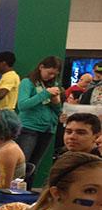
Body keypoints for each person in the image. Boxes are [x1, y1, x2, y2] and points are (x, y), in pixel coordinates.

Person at [16, 56, 63, 185]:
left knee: (33, 167)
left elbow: (57, 110)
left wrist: (57, 103)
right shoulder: (27, 82)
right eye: (49, 73)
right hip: (29, 128)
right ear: (41, 67)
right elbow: (22, 105)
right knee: (22, 166)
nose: (51, 76)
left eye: (55, 74)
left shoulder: (54, 85)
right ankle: (14, 193)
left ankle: (27, 196)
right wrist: (45, 94)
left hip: (48, 129)